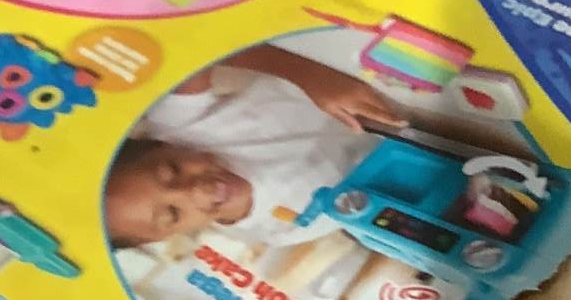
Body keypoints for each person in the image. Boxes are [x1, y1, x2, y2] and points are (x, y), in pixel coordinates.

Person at [102, 45, 406, 251]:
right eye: (173, 213)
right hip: (409, 121)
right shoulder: (282, 230)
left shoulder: (175, 125)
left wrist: (308, 74)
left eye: (172, 169)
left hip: (342, 58)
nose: (196, 191)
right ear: (168, 236)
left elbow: (200, 43)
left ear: (159, 143)